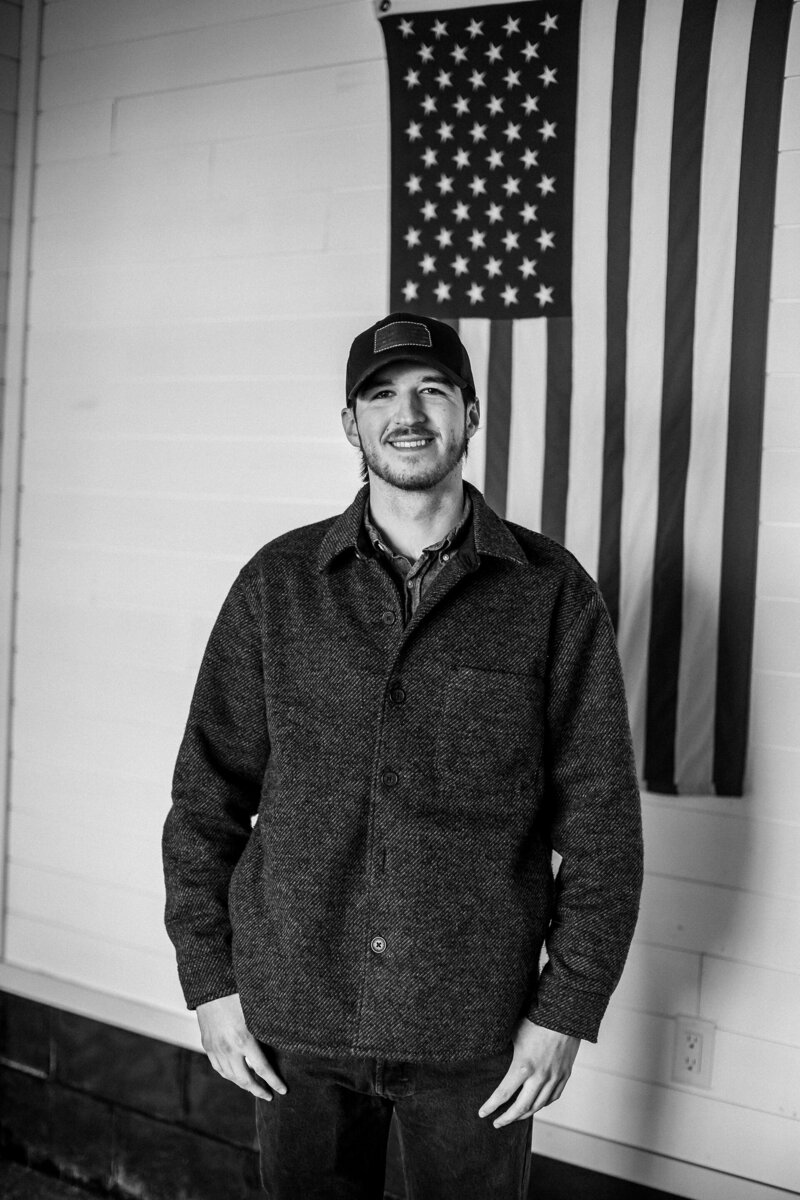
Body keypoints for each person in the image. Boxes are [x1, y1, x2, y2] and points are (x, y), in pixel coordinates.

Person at [163, 312, 643, 1199]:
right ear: (352, 424)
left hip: (476, 1039)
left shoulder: (552, 594)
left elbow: (605, 827)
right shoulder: (277, 586)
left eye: (431, 390)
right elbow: (205, 797)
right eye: (381, 394)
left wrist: (566, 1011)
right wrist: (209, 982)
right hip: (292, 1024)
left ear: (469, 412)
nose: (407, 412)